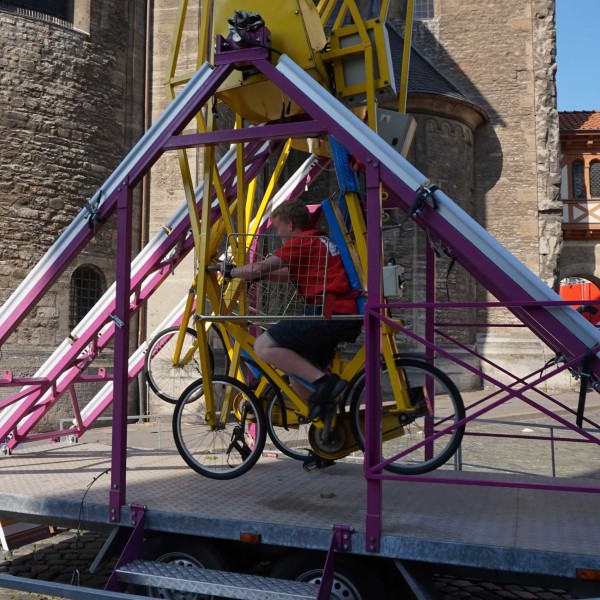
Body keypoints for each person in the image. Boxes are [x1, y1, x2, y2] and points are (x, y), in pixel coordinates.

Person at [225, 200, 362, 419]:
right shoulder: (319, 240)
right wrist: (257, 276)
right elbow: (287, 275)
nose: (278, 234)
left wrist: (231, 272)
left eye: (278, 227)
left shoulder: (302, 241)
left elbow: (260, 266)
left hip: (327, 312)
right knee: (296, 376)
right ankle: (327, 426)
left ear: (289, 224)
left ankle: (325, 383)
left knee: (263, 346)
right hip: (342, 313)